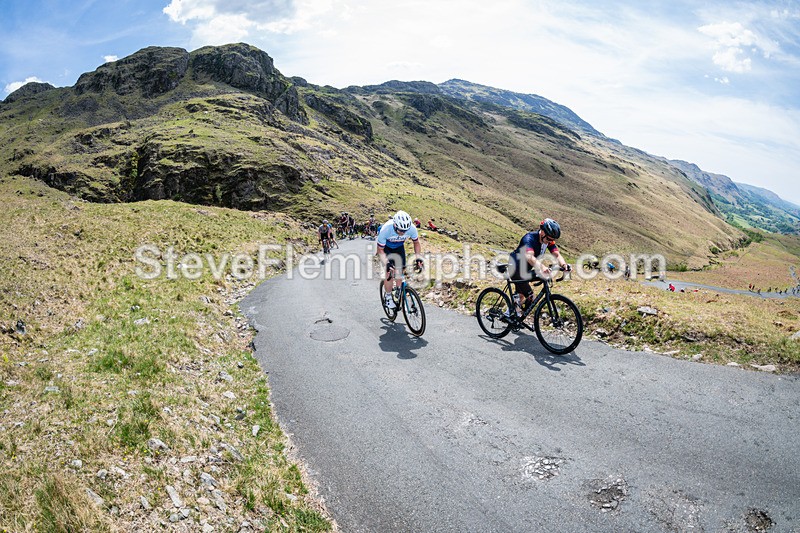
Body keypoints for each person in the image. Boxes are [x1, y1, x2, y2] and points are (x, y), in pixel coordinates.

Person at [507, 218, 571, 314]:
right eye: (549, 239)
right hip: (515, 268)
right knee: (530, 296)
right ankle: (517, 316)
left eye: (552, 240)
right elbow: (530, 257)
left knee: (521, 295)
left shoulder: (547, 240)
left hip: (525, 269)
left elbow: (557, 254)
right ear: (542, 232)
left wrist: (564, 265)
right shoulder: (529, 239)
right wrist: (542, 267)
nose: (550, 242)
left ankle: (511, 314)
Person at [377, 210, 424, 310]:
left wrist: (418, 258)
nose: (403, 233)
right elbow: (380, 250)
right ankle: (388, 296)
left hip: (399, 247)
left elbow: (416, 243)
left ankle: (398, 290)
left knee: (400, 270)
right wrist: (387, 263)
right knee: (389, 272)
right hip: (386, 248)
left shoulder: (411, 228)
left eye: (405, 231)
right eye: (400, 230)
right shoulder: (386, 229)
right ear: (395, 225)